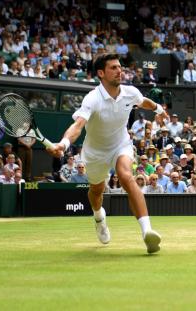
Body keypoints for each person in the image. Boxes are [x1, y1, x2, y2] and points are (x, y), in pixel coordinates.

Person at [47, 54, 164, 253]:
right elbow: (78, 126)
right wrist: (64, 143)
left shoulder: (130, 92)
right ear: (101, 73)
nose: (119, 71)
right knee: (96, 192)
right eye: (113, 68)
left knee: (127, 176)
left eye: (120, 67)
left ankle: (147, 232)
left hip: (121, 145)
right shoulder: (92, 99)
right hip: (95, 154)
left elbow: (143, 101)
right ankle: (99, 217)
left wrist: (159, 109)